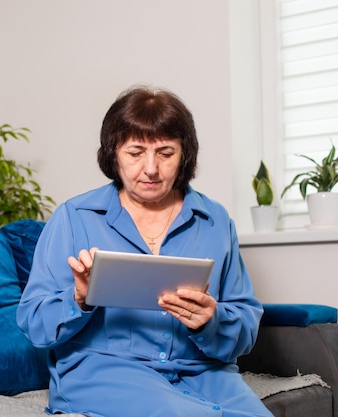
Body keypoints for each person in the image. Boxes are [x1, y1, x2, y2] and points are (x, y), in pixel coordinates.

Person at [16, 86, 273, 417]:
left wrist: (212, 320)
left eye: (165, 153)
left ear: (185, 156)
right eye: (135, 153)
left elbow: (245, 326)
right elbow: (33, 324)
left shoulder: (216, 221)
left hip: (203, 372)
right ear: (113, 154)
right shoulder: (73, 217)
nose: (151, 169)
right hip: (104, 372)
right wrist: (79, 298)